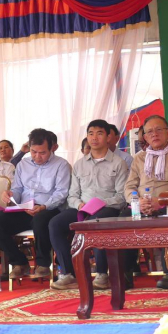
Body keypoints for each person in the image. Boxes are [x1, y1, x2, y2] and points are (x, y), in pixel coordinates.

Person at [49, 120, 128, 290]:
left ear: (108, 137)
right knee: (55, 223)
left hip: (107, 208)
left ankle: (102, 274)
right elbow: (72, 195)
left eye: (99, 133)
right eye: (91, 133)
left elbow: (122, 196)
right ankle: (69, 274)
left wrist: (101, 203)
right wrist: (79, 205)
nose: (94, 138)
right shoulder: (79, 164)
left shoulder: (118, 163)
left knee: (96, 222)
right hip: (82, 208)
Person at [0, 129, 71, 280]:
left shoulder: (61, 165)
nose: (37, 156)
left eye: (42, 153)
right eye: (33, 152)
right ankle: (19, 262)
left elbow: (61, 193)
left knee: (40, 220)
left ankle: (43, 264)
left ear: (51, 148)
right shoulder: (23, 164)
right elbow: (18, 188)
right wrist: (11, 194)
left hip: (48, 208)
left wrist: (44, 206)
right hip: (24, 208)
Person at [124, 115, 168, 289]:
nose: (154, 134)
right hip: (141, 204)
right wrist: (137, 201)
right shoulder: (139, 158)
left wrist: (161, 200)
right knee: (122, 219)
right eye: (149, 132)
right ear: (145, 137)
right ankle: (125, 273)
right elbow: (129, 186)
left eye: (158, 130)